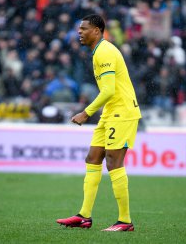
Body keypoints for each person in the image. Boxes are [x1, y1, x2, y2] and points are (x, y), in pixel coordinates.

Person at [56, 14, 142, 232]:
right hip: (111, 113)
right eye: (79, 29)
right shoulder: (100, 51)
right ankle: (84, 216)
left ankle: (125, 220)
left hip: (122, 112)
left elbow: (109, 90)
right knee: (93, 158)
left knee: (114, 162)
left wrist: (86, 113)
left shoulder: (103, 51)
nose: (79, 32)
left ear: (96, 30)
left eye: (83, 29)